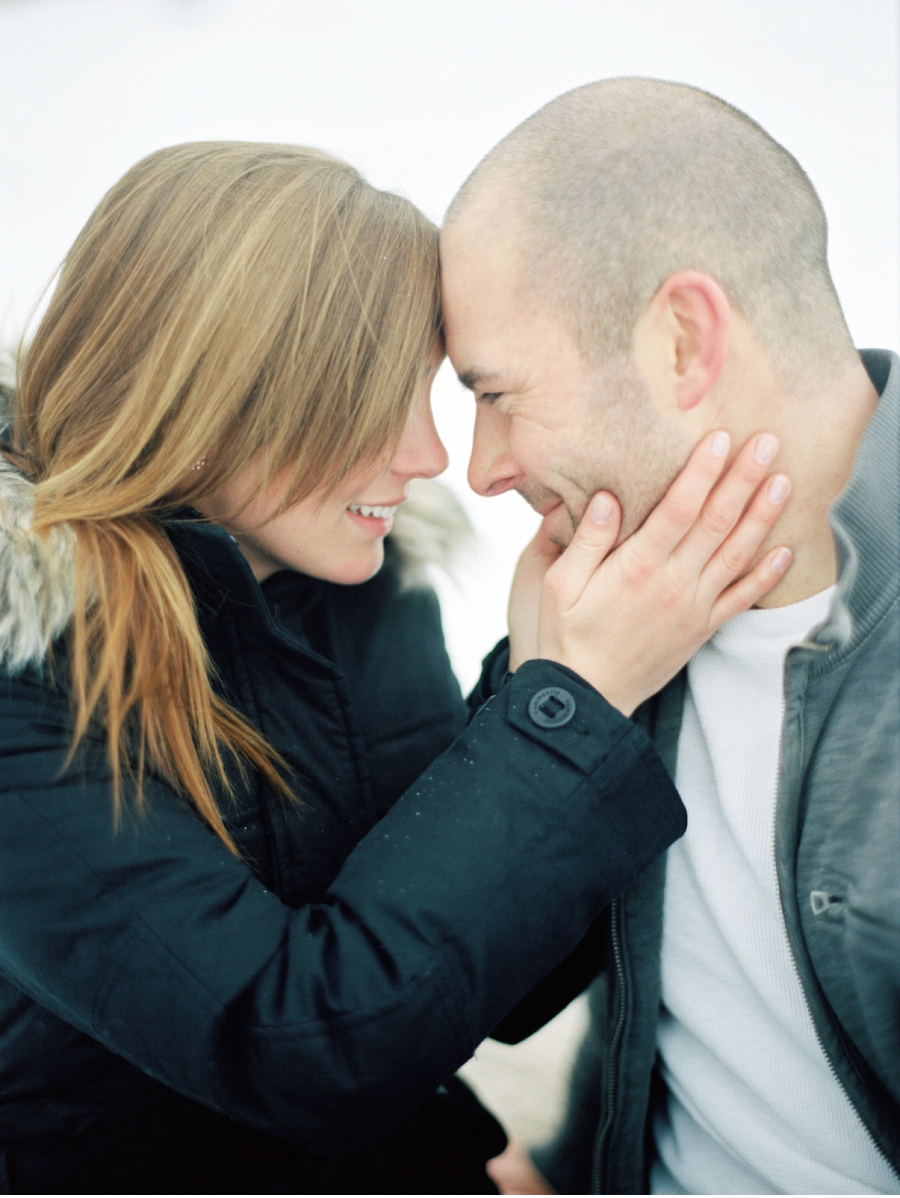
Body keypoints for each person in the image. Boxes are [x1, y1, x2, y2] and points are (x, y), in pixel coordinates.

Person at [0, 141, 788, 1194]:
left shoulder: (368, 589)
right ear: (216, 387)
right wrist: (570, 704)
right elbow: (305, 1052)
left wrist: (553, 669)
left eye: (436, 394)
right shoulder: (25, 671)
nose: (430, 458)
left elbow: (472, 978)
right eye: (374, 399)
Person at [440, 78, 900, 1194]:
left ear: (685, 340)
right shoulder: (604, 615)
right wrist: (547, 705)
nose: (482, 467)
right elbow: (501, 997)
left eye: (497, 392)